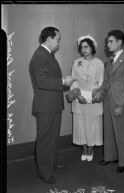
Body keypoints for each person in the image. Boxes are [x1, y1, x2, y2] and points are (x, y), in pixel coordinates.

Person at [29, 27, 74, 184]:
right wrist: (63, 82)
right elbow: (42, 82)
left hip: (52, 105)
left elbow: (49, 78)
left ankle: (51, 164)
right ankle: (45, 172)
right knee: (46, 140)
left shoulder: (47, 54)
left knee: (52, 138)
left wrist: (63, 79)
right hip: (46, 106)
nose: (59, 42)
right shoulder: (41, 55)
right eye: (58, 39)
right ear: (49, 39)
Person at [92, 30, 124, 173]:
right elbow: (106, 81)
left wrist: (121, 104)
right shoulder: (109, 60)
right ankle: (110, 156)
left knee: (122, 131)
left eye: (111, 41)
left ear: (120, 42)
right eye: (108, 41)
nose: (108, 44)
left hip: (120, 101)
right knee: (109, 129)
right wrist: (100, 91)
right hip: (108, 100)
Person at [67, 35, 104, 161]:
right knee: (81, 124)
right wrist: (78, 96)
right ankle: (84, 149)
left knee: (92, 124)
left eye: (86, 47)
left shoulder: (99, 63)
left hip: (93, 98)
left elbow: (101, 81)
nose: (83, 50)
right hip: (80, 97)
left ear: (92, 47)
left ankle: (90, 149)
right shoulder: (77, 62)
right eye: (81, 47)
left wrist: (96, 93)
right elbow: (73, 80)